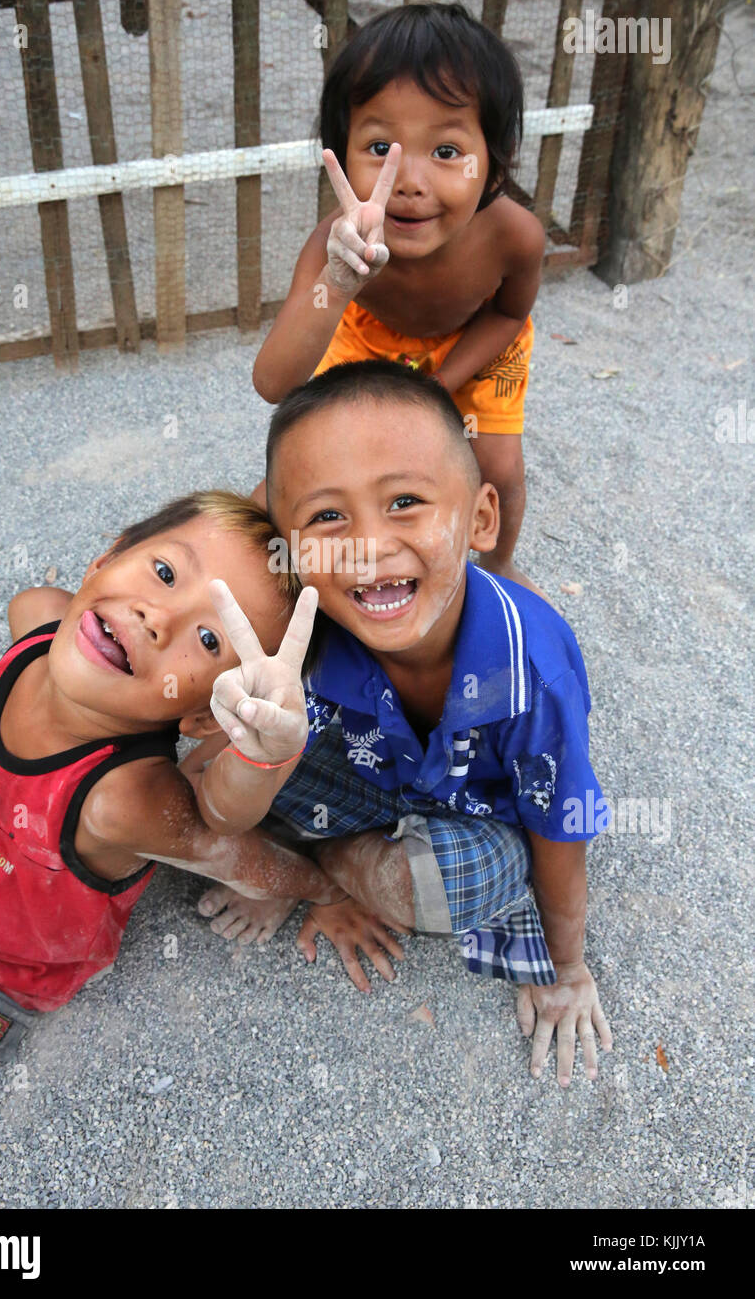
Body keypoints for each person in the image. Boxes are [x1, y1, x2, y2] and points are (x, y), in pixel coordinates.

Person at [200, 364, 612, 1086]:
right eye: (327, 516)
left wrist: (565, 966)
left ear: (481, 519)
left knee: (460, 887)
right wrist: (252, 747)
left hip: (470, 812)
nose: (366, 545)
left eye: (405, 502)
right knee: (210, 762)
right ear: (289, 551)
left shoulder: (530, 670)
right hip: (356, 768)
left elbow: (558, 823)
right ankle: (313, 868)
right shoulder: (301, 633)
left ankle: (320, 866)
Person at [0, 489, 341, 1140]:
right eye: (163, 572)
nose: (157, 618)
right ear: (104, 558)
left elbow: (236, 851)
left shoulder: (123, 801)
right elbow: (32, 604)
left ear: (194, 718)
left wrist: (331, 889)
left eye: (209, 638)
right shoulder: (41, 626)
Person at [252, 2, 546, 591]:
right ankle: (274, 581)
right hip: (365, 329)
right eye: (380, 148)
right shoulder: (331, 247)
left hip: (479, 341)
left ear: (492, 167)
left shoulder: (516, 236)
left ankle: (500, 562)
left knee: (498, 465)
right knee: (293, 472)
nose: (409, 181)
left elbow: (511, 314)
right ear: (339, 155)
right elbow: (274, 384)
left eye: (445, 152)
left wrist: (439, 387)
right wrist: (335, 283)